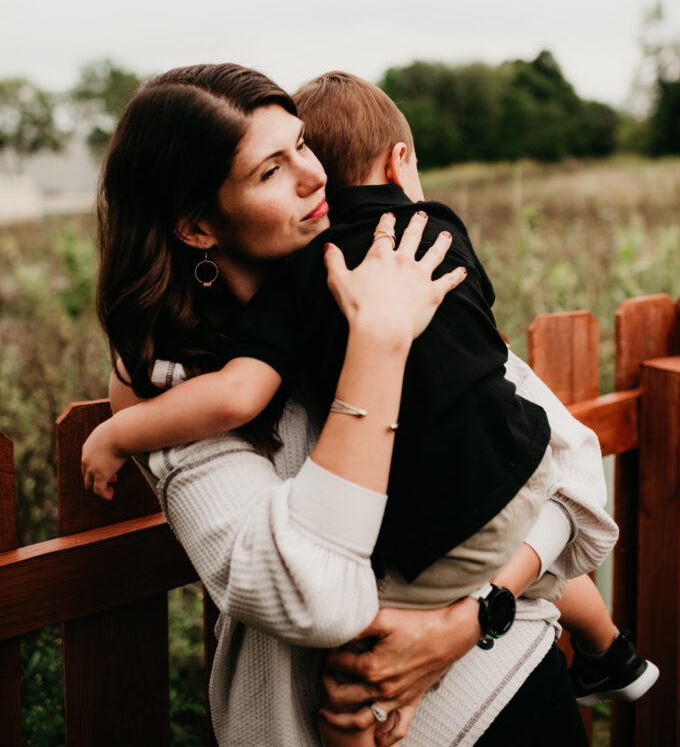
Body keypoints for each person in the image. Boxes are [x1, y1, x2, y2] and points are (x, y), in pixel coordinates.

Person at [88, 63, 617, 746]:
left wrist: (469, 619)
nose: (313, 175)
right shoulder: (166, 384)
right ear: (196, 228)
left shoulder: (377, 267)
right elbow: (311, 597)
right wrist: (376, 343)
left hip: (510, 677)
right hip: (345, 721)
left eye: (302, 145)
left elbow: (568, 469)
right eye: (270, 170)